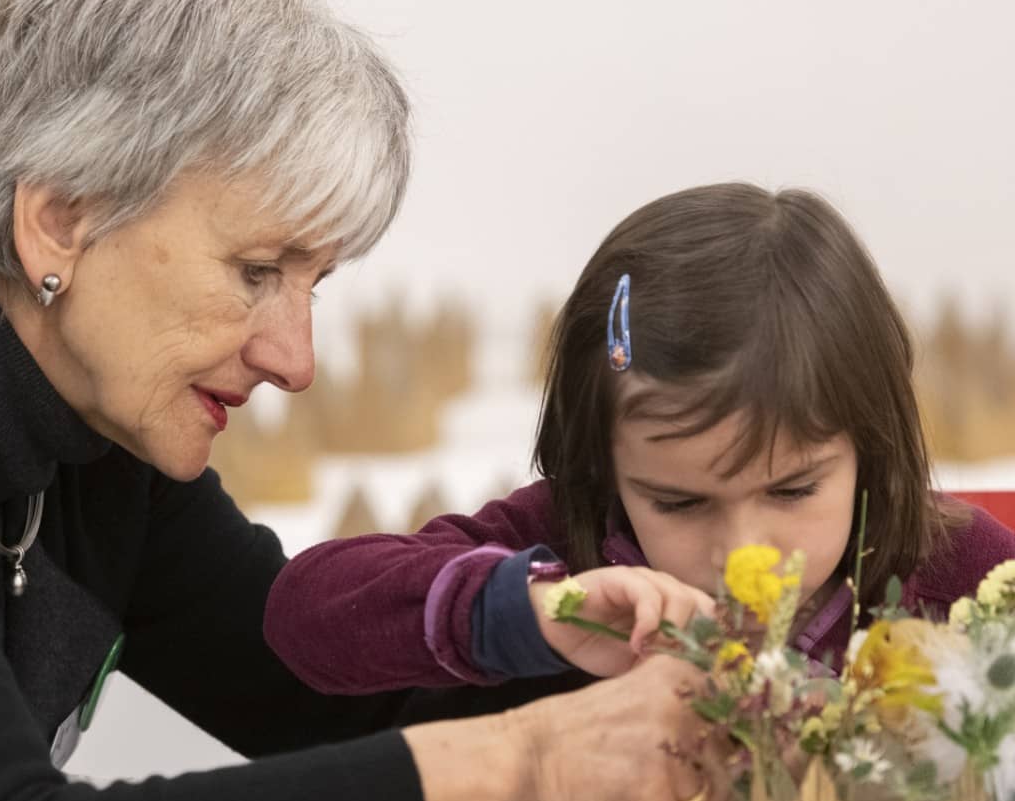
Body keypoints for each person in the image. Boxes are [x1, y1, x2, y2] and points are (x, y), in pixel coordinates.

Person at [0, 0, 730, 801]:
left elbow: (309, 692)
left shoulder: (103, 437)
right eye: (257, 270)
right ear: (58, 219)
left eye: (313, 285)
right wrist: (528, 761)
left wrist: (566, 661)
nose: (295, 360)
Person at [266, 182, 1015, 701]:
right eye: (680, 501)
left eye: (792, 489)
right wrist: (535, 615)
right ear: (603, 466)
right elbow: (305, 612)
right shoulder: (574, 554)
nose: (743, 549)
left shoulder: (958, 577)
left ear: (871, 448)